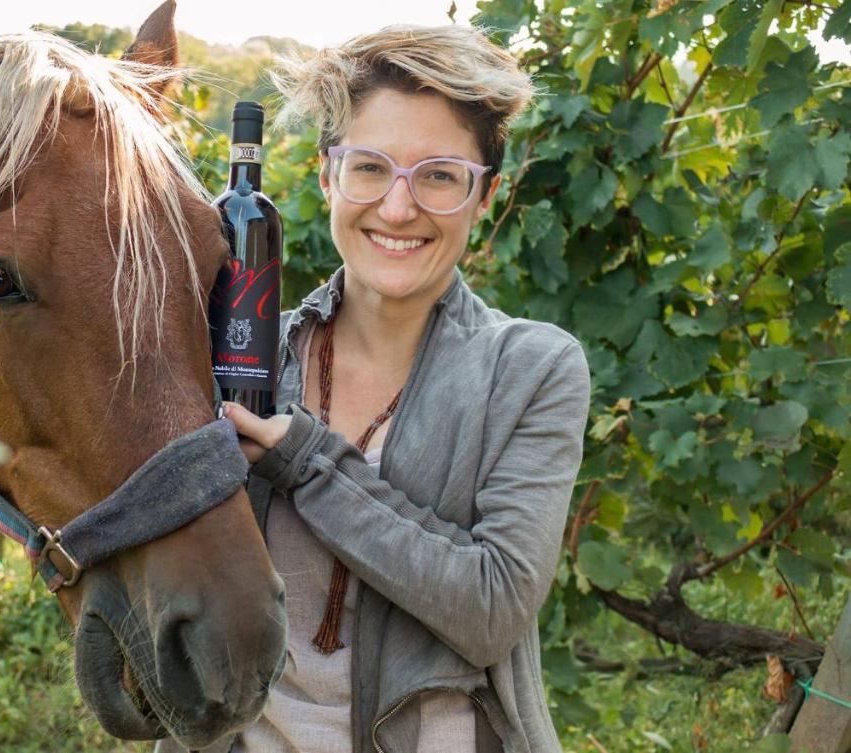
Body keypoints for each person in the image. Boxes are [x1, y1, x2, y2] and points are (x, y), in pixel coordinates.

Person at [216, 24, 591, 753]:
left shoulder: (529, 370)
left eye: (440, 175)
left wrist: (306, 460)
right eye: (370, 168)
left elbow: (491, 608)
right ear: (328, 176)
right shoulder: (248, 358)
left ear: (485, 196)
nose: (396, 208)